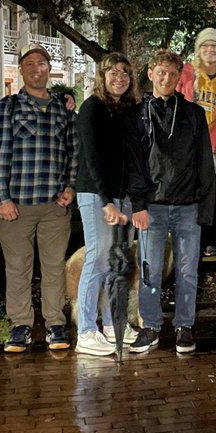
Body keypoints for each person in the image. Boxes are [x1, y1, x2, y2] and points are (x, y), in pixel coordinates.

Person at [123, 49, 216, 355]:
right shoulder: (137, 113)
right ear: (150, 74)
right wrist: (137, 204)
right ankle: (150, 325)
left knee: (188, 270)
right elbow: (134, 164)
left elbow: (205, 161)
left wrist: (206, 206)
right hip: (152, 206)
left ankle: (184, 325)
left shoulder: (193, 113)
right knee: (150, 269)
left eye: (172, 74)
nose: (166, 78)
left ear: (179, 78)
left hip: (188, 205)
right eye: (160, 72)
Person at [0, 44, 78, 354]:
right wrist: (1, 198)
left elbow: (72, 152)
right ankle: (21, 325)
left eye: (43, 64)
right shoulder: (8, 107)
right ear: (22, 69)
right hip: (17, 205)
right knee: (18, 267)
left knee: (54, 267)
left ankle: (54, 323)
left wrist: (71, 187)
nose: (37, 69)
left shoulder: (61, 109)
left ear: (48, 69)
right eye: (31, 64)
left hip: (55, 206)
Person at [73, 52, 140, 357]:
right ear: (102, 76)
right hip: (97, 195)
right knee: (98, 258)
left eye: (124, 73)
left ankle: (114, 325)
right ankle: (86, 330)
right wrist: (106, 200)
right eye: (113, 72)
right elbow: (93, 157)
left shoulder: (127, 111)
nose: (119, 78)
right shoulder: (92, 108)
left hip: (122, 196)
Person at [178, 27, 216, 257]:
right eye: (205, 45)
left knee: (207, 195)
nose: (210, 50)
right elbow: (175, 106)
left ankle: (207, 240)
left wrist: (206, 146)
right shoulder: (185, 74)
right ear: (198, 49)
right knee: (184, 193)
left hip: (212, 149)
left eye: (215, 46)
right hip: (184, 148)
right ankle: (184, 240)